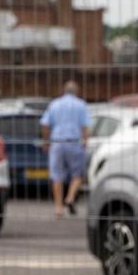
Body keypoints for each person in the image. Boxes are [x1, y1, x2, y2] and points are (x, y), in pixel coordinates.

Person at [40, 80, 90, 218]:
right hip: (74, 142)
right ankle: (70, 198)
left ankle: (58, 208)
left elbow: (45, 124)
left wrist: (46, 141)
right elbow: (85, 126)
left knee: (56, 175)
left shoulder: (54, 104)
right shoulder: (81, 105)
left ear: (64, 90)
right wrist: (85, 142)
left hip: (57, 142)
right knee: (77, 175)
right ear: (76, 91)